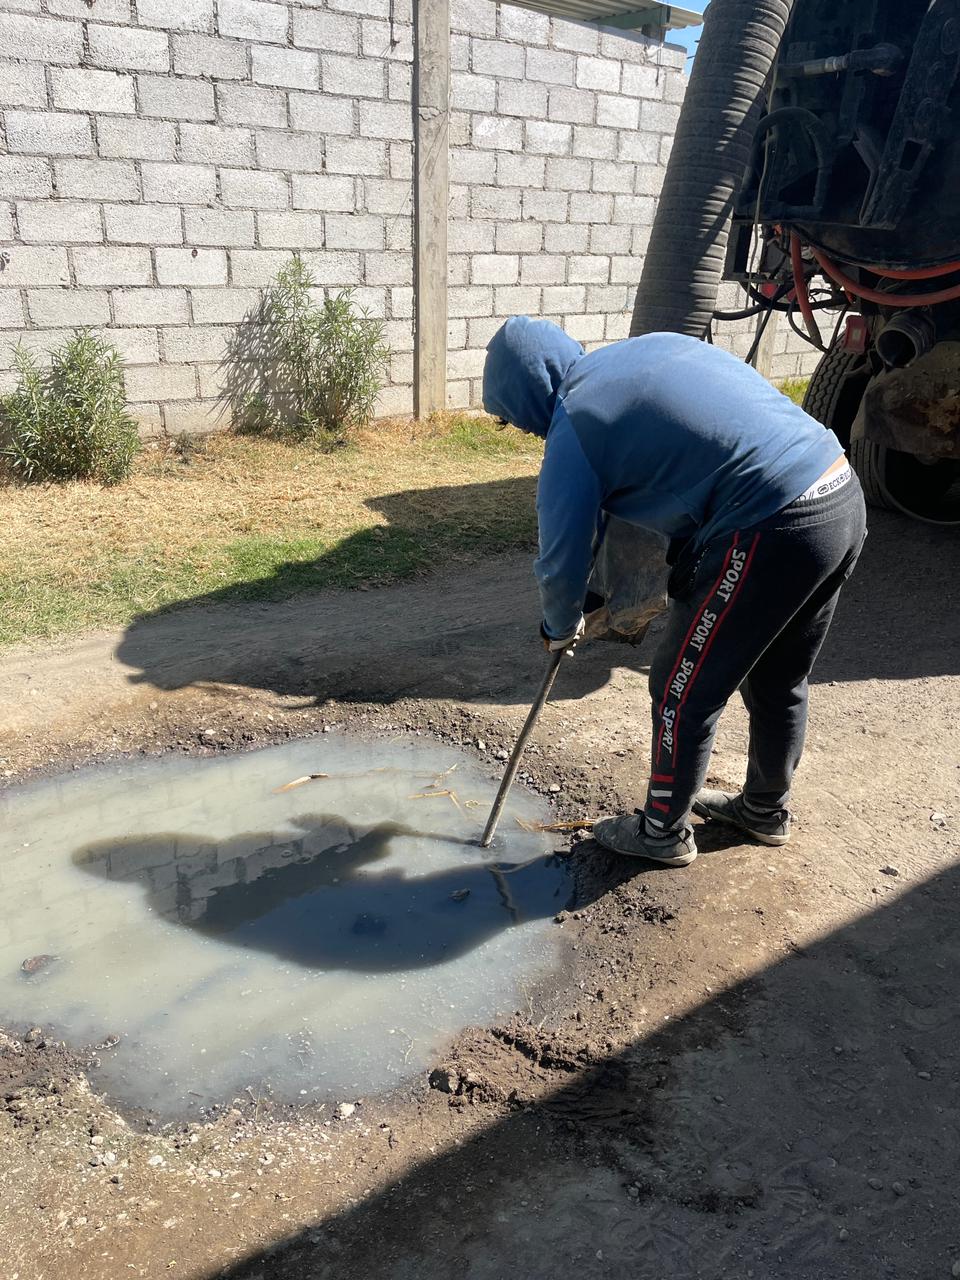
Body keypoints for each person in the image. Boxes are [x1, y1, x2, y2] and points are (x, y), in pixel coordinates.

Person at [482, 316, 867, 868]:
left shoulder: (576, 423)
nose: (523, 431)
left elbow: (560, 558)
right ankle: (764, 810)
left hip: (772, 521)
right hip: (837, 494)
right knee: (780, 676)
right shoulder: (639, 354)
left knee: (682, 689)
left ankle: (661, 832)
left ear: (524, 397)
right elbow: (675, 467)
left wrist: (560, 625)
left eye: (513, 420)